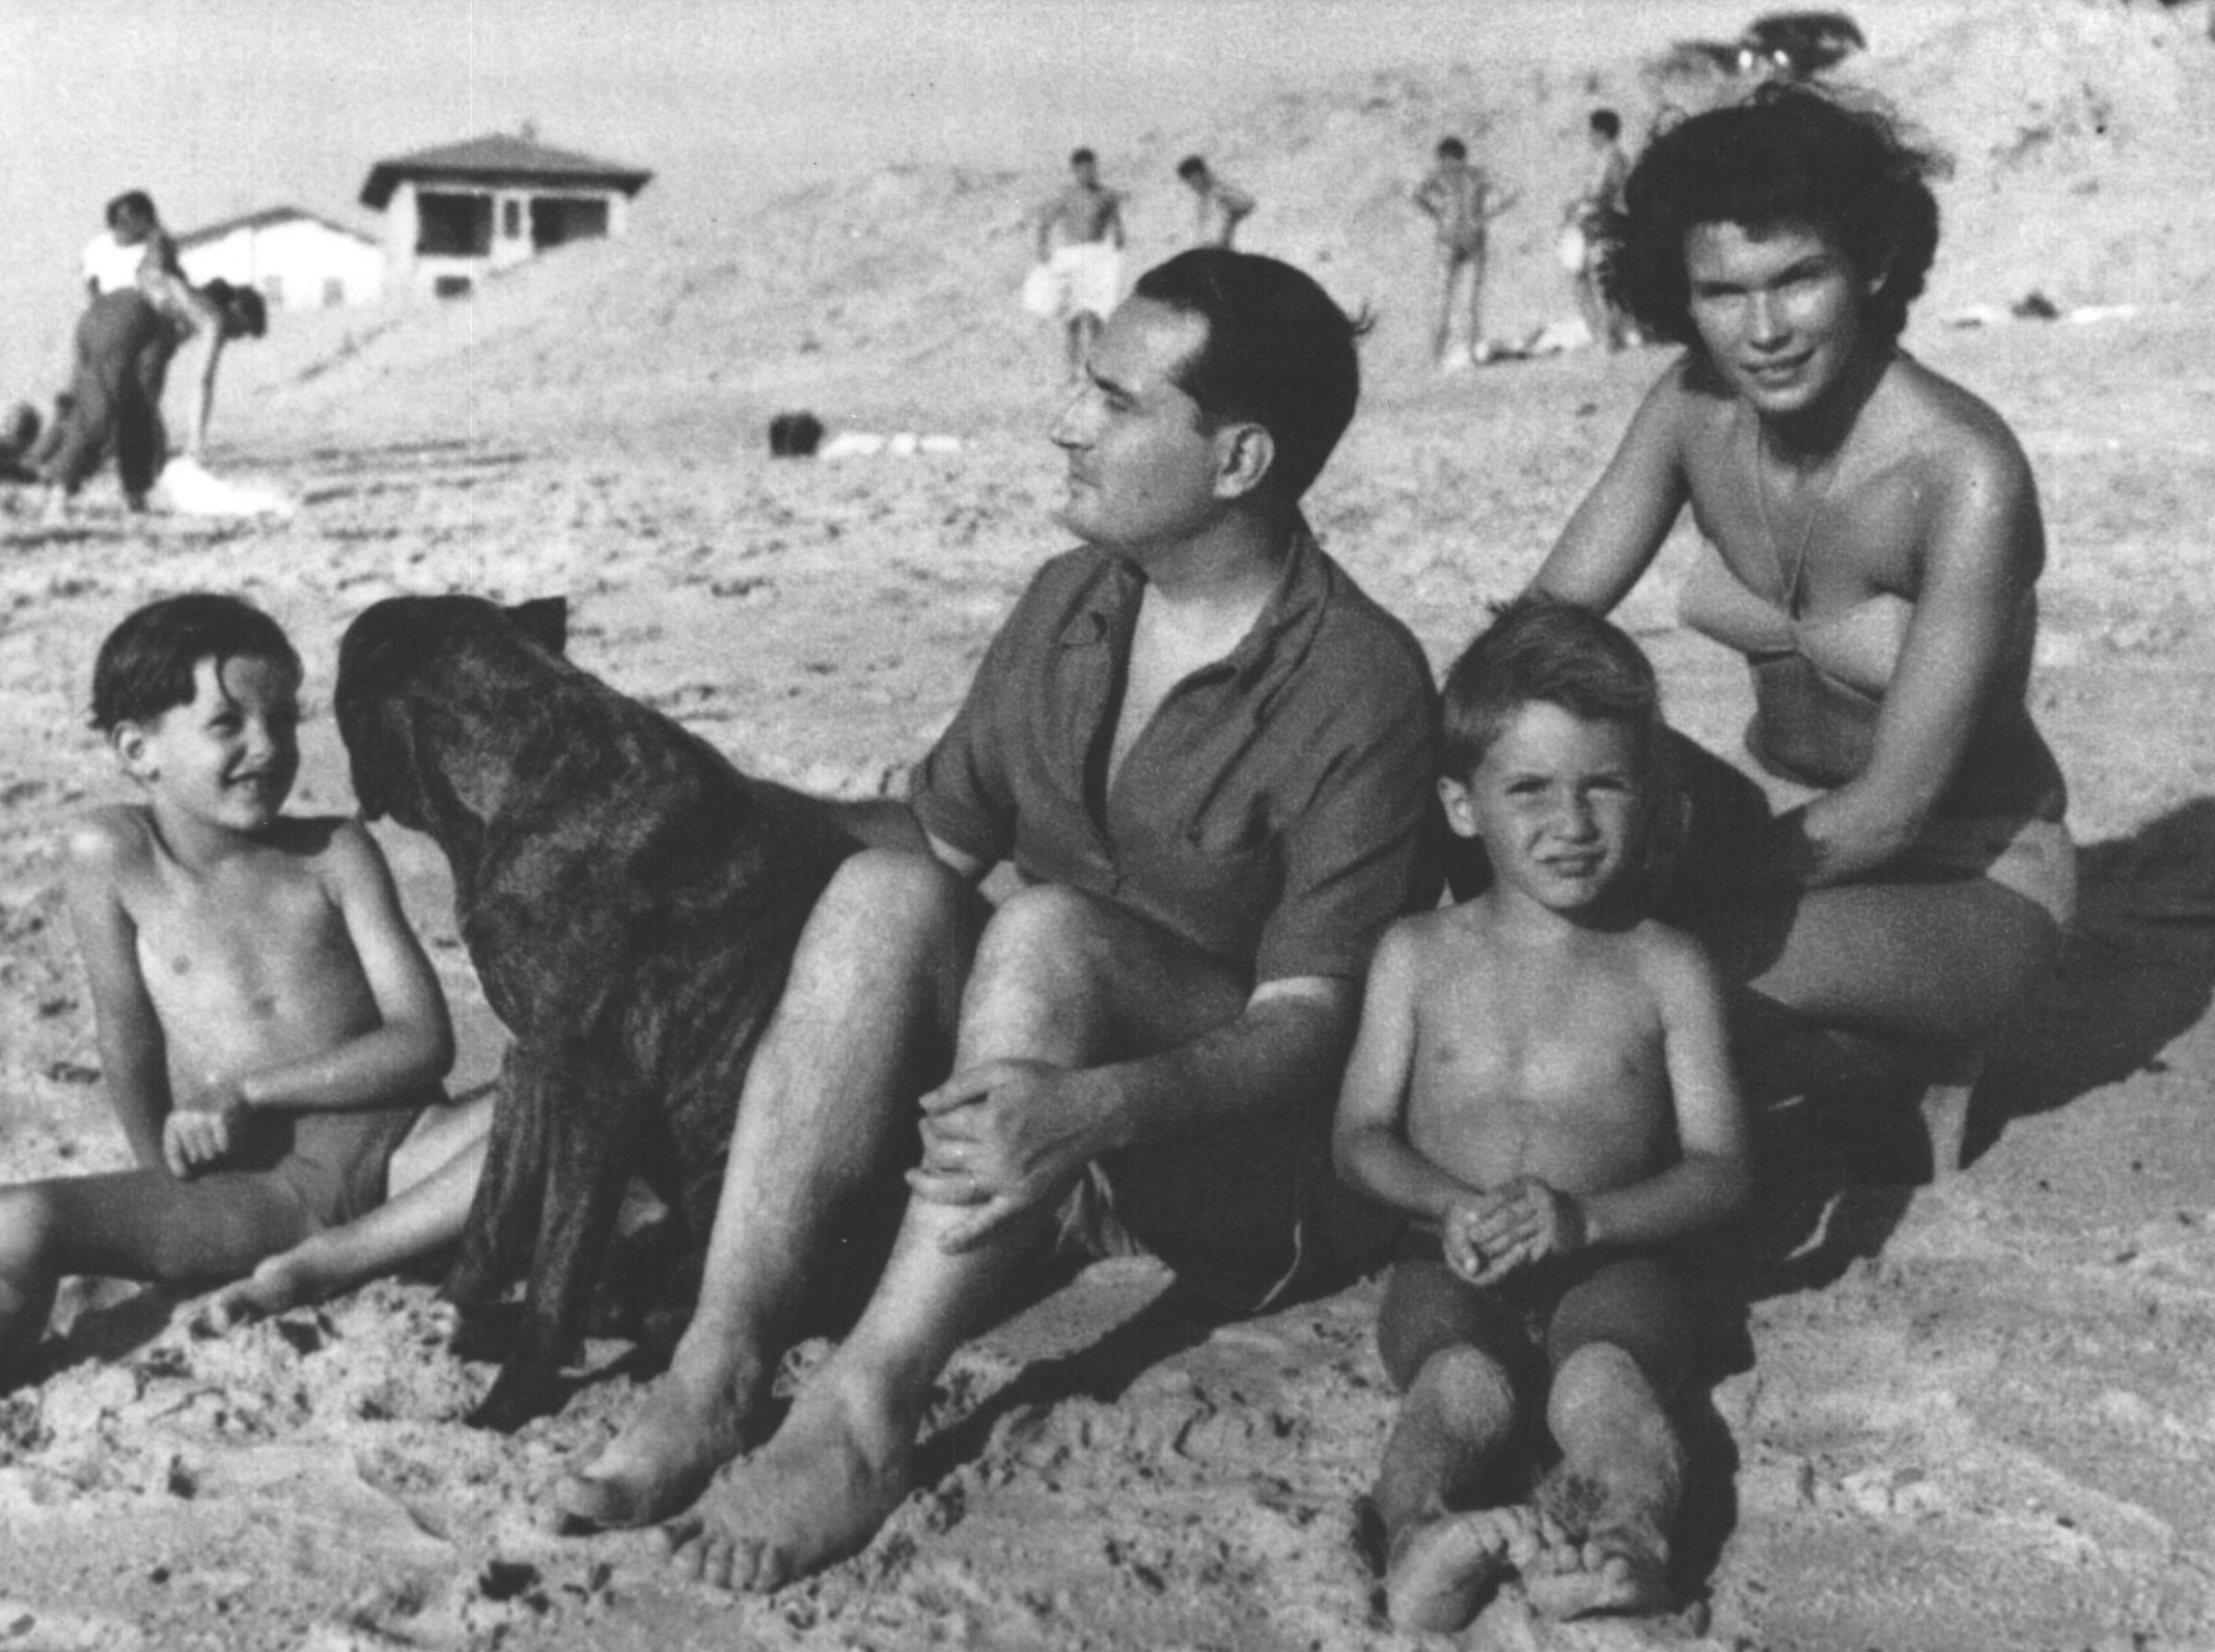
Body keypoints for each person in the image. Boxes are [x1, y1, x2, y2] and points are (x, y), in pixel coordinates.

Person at [554, 248, 1443, 1591]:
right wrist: (704, 799)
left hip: (1241, 1176)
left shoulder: (1360, 683)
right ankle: (722, 1362)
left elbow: (1311, 1027)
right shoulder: (1069, 603)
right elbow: (932, 841)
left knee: (1047, 935)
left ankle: (867, 1408)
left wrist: (1100, 1111)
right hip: (1040, 1124)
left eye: (1114, 400)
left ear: (1240, 458)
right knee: (880, 894)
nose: (1064, 422)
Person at [0, 594, 492, 1512]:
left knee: (554, 1080)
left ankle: (360, 1255)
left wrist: (252, 1092)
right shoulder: (110, 853)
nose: (268, 747)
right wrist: (162, 1176)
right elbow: (126, 1032)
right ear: (139, 751)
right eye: (228, 723)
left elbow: (423, 1041)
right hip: (268, 1195)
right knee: (20, 1214)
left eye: (281, 720)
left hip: (411, 1152)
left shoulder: (335, 853)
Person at [1528, 85, 2073, 1102]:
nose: (1763, 329)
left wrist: (1655, 884)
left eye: (1797, 279)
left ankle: (1901, 1047)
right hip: (1766, 821)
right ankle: (1848, 1063)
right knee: (1486, 829)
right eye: (1722, 292)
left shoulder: (1960, 471)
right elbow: (1537, 630)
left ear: (1868, 265)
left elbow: (1892, 808)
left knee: (1621, 991)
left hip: (1959, 864)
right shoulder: (1690, 406)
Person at [1333, 600, 1750, 1633]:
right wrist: (1448, 1201)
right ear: (1461, 803)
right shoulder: (1415, 953)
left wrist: (1589, 1221)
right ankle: (1420, 1534)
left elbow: (1721, 1164)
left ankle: (1622, 1541)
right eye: (1528, 788)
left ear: (1646, 795)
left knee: (1611, 1385)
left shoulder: (1665, 965)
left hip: (1614, 1256)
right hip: (1448, 1251)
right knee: (1451, 1388)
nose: (1570, 824)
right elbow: (1357, 1136)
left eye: (1603, 785)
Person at [41, 192, 267, 513]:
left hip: (111, 318)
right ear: (236, 310)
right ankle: (58, 495)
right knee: (101, 413)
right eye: (241, 330)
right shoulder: (211, 320)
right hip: (125, 315)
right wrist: (196, 443)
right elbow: (202, 382)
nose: (235, 338)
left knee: (131, 410)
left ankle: (133, 494)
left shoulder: (183, 297)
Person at [1412, 136, 1515, 371]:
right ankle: (1470, 355)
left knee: (1442, 301)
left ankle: (1436, 359)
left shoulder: (1439, 175)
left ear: (1445, 156)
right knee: (1469, 302)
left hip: (1448, 238)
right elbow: (1510, 191)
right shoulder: (1477, 174)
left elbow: (1415, 194)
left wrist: (1435, 213)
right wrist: (1487, 214)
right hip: (1473, 238)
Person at [1027, 148, 1128, 380]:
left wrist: (1116, 245)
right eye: (1082, 169)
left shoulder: (1107, 196)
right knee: (1072, 319)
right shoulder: (1066, 196)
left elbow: (1118, 228)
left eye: (1091, 167)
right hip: (1070, 257)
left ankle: (1097, 370)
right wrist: (1043, 250)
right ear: (1074, 171)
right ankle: (1071, 371)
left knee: (1096, 317)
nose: (1088, 173)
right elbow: (1045, 222)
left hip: (1097, 257)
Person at [1562, 111, 1633, 352]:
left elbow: (1602, 193)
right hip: (1607, 223)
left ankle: (1606, 337)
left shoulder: (1610, 157)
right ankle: (1606, 335)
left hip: (1606, 223)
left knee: (1599, 281)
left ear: (1600, 132)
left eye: (1592, 132)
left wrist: (1577, 204)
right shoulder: (1613, 157)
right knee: (1596, 280)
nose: (1589, 137)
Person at [1176, 154, 1256, 250]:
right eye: (1189, 182)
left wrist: (1233, 217)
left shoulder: (1220, 192)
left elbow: (1248, 203)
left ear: (1203, 174)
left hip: (1223, 249)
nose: (1192, 185)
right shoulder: (1201, 200)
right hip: (1206, 251)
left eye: (1193, 180)